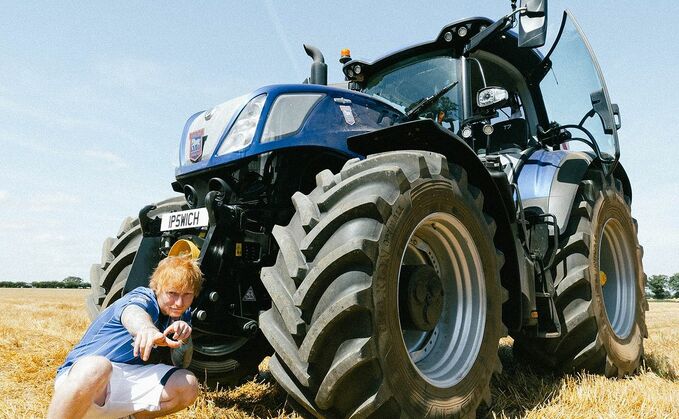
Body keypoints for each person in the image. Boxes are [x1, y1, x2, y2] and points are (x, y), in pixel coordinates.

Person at [47, 255, 203, 419]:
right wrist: (146, 329)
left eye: (187, 294)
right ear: (157, 288)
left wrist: (185, 339)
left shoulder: (182, 315)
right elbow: (133, 313)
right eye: (172, 293)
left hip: (125, 380)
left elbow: (181, 363)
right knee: (98, 366)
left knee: (187, 385)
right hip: (85, 381)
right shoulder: (142, 297)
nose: (179, 302)